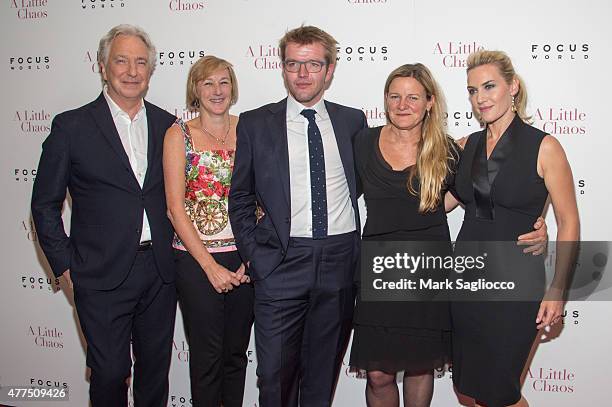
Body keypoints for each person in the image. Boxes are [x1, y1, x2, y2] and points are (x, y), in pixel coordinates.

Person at [31, 24, 177, 406]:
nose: (132, 71)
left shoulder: (168, 126)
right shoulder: (72, 126)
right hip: (98, 273)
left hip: (160, 271)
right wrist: (64, 265)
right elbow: (44, 204)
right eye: (122, 61)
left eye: (141, 62)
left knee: (154, 375)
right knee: (110, 373)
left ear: (151, 70)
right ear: (102, 66)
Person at [228, 25, 367, 407]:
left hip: (339, 259)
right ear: (283, 68)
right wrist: (256, 256)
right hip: (279, 262)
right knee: (273, 376)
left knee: (322, 376)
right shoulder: (256, 123)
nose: (303, 74)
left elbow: (379, 181)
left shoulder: (352, 122)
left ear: (330, 69)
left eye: (312, 64)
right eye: (293, 64)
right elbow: (239, 196)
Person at [448, 50, 579, 407]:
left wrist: (557, 290)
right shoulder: (467, 146)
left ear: (514, 87)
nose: (481, 98)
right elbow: (436, 206)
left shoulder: (544, 147)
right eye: (473, 90)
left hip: (514, 286)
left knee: (500, 394)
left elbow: (568, 221)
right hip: (465, 281)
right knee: (469, 392)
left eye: (489, 86)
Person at [163, 55, 253, 407]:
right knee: (207, 358)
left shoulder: (249, 129)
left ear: (233, 87)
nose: (217, 90)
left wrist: (251, 258)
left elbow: (262, 199)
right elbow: (174, 207)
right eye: (208, 83)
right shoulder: (178, 135)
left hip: (244, 259)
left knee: (235, 355)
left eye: (223, 82)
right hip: (195, 260)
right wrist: (209, 266)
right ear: (195, 90)